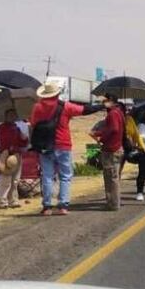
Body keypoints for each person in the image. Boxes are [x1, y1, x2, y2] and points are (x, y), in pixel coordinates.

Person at [29, 81, 102, 215]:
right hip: (63, 144)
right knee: (65, 176)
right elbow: (85, 110)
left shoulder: (37, 107)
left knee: (47, 176)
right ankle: (63, 205)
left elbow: (33, 124)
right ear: (57, 93)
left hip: (45, 146)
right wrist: (102, 105)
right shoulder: (65, 106)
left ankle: (47, 206)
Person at [0, 109, 28, 208]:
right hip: (6, 155)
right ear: (6, 116)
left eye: (14, 115)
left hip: (16, 156)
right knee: (5, 180)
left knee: (15, 180)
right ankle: (2, 201)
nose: (12, 117)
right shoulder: (2, 127)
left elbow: (23, 143)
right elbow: (2, 140)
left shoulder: (17, 128)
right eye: (10, 115)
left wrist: (23, 138)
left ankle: (13, 200)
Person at [97, 95, 126, 210]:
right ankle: (112, 202)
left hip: (111, 149)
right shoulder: (119, 113)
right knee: (113, 177)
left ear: (111, 101)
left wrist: (102, 137)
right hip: (116, 148)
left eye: (105, 101)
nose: (103, 103)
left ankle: (113, 203)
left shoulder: (113, 113)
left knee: (111, 178)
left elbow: (114, 129)